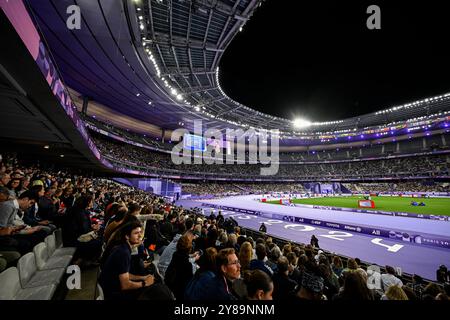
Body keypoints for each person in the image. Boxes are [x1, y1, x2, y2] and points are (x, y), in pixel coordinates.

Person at [99, 221, 154, 300]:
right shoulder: (123, 252)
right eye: (136, 233)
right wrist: (145, 283)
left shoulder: (123, 247)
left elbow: (125, 274)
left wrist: (143, 277)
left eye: (140, 232)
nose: (140, 236)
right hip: (112, 293)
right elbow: (125, 285)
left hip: (110, 287)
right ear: (127, 236)